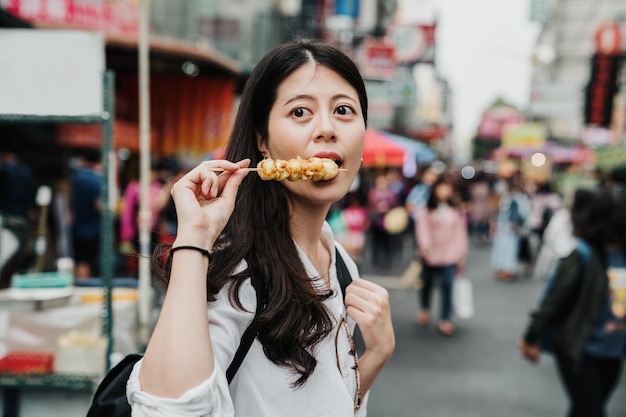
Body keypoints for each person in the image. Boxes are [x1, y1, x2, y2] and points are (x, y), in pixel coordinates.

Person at [127, 39, 395, 416]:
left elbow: (330, 402)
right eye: (300, 111)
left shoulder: (341, 266)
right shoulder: (237, 271)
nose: (327, 128)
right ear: (262, 143)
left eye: (344, 110)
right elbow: (167, 410)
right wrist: (195, 239)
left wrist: (378, 353)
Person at [519, 188, 626, 417]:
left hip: (614, 350)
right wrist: (531, 336)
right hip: (580, 350)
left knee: (585, 409)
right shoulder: (583, 256)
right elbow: (554, 300)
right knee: (591, 410)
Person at [415, 176, 468, 336]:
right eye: (442, 187)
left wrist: (461, 253)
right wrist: (424, 245)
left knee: (447, 285)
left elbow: (460, 233)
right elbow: (422, 229)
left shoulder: (455, 211)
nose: (445, 191)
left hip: (449, 254)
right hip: (430, 253)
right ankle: (425, 308)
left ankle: (445, 318)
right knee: (427, 283)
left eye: (448, 188)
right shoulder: (426, 210)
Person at [0, 140, 37, 288]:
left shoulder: (4, 170)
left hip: (5, 215)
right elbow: (31, 196)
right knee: (16, 252)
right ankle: (8, 282)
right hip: (21, 216)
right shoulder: (26, 171)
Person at [69, 149, 102, 279]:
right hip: (92, 227)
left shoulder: (76, 177)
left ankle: (78, 283)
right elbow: (98, 204)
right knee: (87, 262)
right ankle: (83, 285)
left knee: (79, 260)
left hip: (77, 225)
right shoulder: (96, 180)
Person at [490, 174, 530, 281]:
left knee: (508, 249)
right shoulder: (511, 197)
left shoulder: (517, 197)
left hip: (510, 228)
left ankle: (508, 269)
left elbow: (521, 213)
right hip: (506, 227)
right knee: (504, 248)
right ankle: (503, 268)